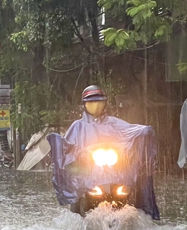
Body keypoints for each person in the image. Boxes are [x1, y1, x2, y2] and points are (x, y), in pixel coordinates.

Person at [49, 85, 160, 219]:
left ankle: (137, 213)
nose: (96, 106)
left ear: (105, 104)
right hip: (87, 171)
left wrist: (144, 131)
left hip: (115, 171)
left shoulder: (114, 123)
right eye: (91, 103)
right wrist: (79, 155)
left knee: (130, 186)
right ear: (85, 105)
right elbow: (67, 149)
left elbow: (129, 132)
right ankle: (77, 217)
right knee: (77, 194)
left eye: (99, 102)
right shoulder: (77, 126)